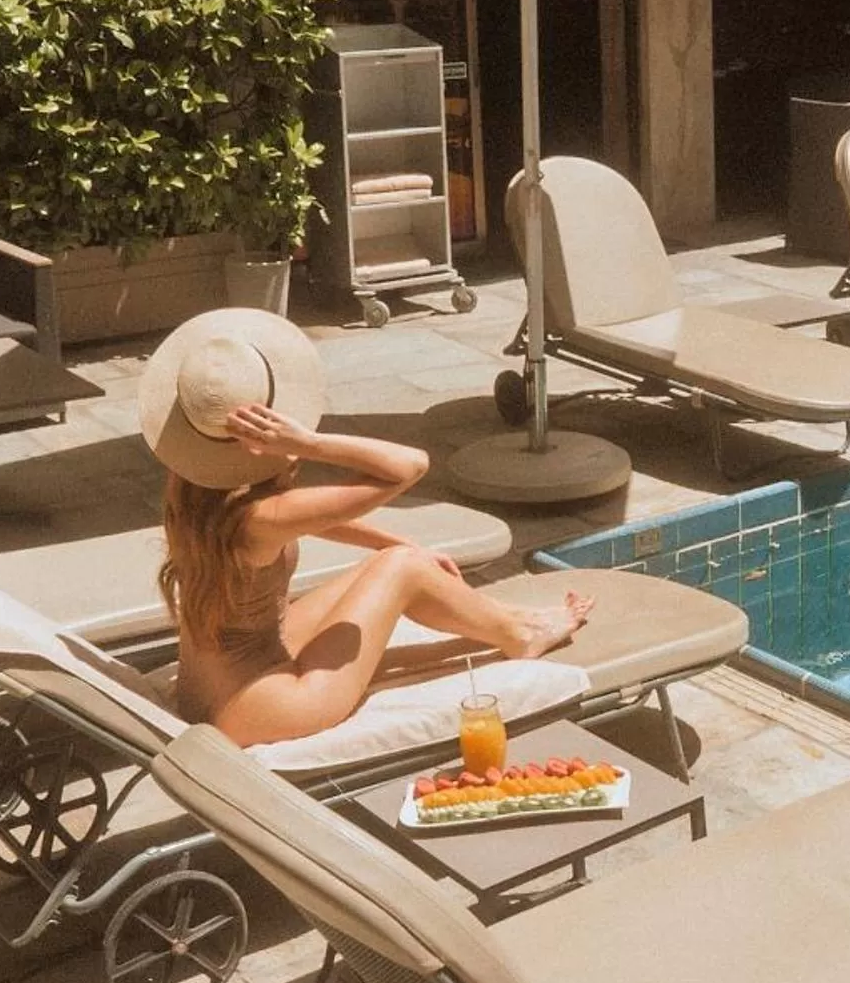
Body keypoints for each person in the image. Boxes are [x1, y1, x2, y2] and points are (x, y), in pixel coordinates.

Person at [140, 308, 591, 745]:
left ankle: (506, 618)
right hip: (267, 705)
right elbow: (409, 466)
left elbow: (312, 518)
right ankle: (520, 634)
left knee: (399, 561)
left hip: (207, 693)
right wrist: (308, 442)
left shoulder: (194, 494)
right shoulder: (262, 516)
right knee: (403, 568)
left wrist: (399, 543)